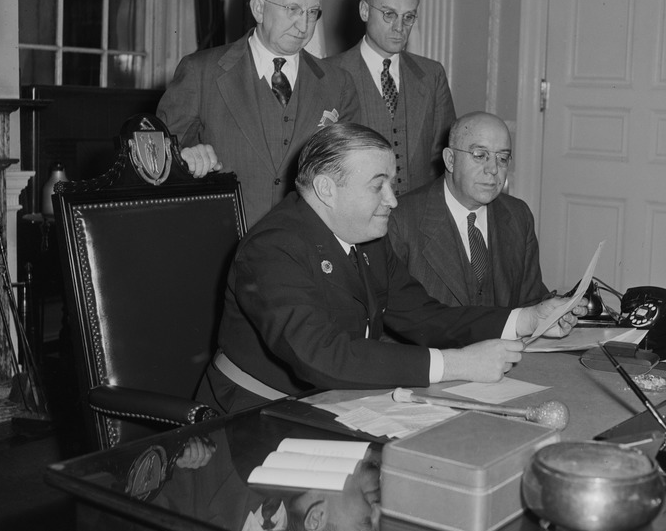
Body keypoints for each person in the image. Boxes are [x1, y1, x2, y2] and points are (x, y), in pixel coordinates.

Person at [197, 122, 583, 415]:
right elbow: (323, 357)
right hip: (252, 414)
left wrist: (527, 319)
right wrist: (457, 364)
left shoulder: (366, 237)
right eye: (377, 186)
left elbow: (425, 317)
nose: (393, 200)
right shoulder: (273, 248)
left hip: (335, 403)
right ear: (327, 189)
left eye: (392, 184)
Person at [157, 0, 361, 228]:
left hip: (304, 249)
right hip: (221, 243)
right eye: (293, 9)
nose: (304, 26)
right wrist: (184, 159)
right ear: (259, 9)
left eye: (313, 13)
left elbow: (350, 174)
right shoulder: (201, 72)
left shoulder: (339, 83)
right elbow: (155, 160)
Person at [388, 111, 548, 308]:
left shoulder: (518, 215)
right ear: (450, 160)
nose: (493, 169)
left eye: (503, 158)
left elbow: (531, 301)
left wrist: (558, 311)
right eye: (480, 155)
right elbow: (388, 322)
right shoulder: (401, 221)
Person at [326, 0, 455, 197]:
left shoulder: (431, 75)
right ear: (365, 11)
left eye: (409, 17)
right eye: (389, 14)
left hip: (417, 221)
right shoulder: (329, 74)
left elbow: (444, 159)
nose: (400, 27)